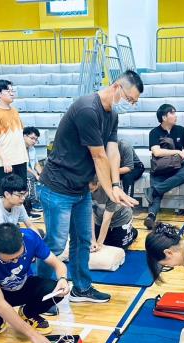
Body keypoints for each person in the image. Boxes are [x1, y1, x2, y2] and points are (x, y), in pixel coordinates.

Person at [37, 70, 142, 303]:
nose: (129, 104)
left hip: (79, 189)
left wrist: (115, 185)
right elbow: (98, 156)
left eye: (133, 103)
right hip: (57, 188)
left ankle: (81, 288)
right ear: (117, 87)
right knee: (54, 243)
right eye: (130, 99)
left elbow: (112, 152)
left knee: (83, 240)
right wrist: (112, 192)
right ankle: (40, 293)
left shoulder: (112, 115)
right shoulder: (88, 109)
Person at [0, 223, 70, 343]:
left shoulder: (30, 238)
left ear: (22, 240)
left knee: (55, 289)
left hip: (25, 285)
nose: (16, 261)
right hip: (0, 293)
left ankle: (28, 313)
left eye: (19, 256)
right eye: (9, 260)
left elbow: (57, 264)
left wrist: (63, 279)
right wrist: (33, 335)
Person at [144, 103, 184, 230]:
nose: (176, 116)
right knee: (158, 192)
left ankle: (153, 191)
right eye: (173, 113)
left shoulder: (180, 130)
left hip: (176, 169)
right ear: (164, 117)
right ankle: (151, 216)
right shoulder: (154, 132)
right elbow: (157, 152)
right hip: (160, 169)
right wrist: (176, 151)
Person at [0, 80, 28, 196]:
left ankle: (23, 214)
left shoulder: (14, 111)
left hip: (20, 158)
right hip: (5, 162)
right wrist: (5, 160)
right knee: (5, 194)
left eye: (12, 91)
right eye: (8, 91)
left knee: (21, 192)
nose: (12, 93)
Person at [0, 174, 38, 245]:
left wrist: (40, 242)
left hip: (6, 237)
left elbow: (30, 225)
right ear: (7, 194)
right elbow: (2, 236)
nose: (23, 198)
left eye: (24, 194)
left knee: (35, 236)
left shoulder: (18, 204)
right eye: (19, 195)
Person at [90, 177, 138, 250]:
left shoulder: (111, 189)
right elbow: (89, 215)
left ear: (98, 182)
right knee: (94, 243)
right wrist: (93, 240)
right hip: (99, 218)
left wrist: (99, 243)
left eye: (92, 190)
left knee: (117, 247)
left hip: (120, 218)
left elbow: (107, 219)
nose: (90, 192)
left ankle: (132, 231)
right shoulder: (83, 189)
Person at [23, 126, 43, 218]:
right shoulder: (19, 148)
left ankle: (39, 202)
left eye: (36, 140)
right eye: (32, 138)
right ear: (24, 136)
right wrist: (36, 174)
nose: (34, 141)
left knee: (44, 178)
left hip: (30, 171)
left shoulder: (32, 149)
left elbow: (36, 164)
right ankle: (32, 204)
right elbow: (24, 166)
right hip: (21, 171)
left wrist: (43, 175)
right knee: (31, 176)